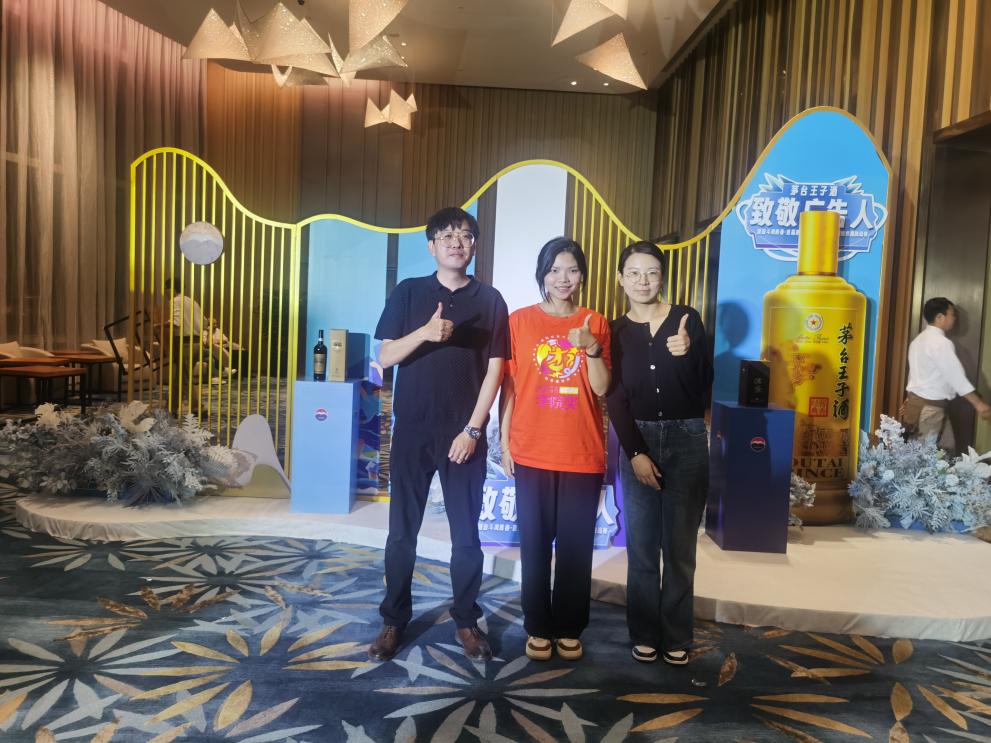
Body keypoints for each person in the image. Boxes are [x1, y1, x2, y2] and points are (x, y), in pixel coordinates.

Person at [369, 206, 508, 663]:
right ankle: (394, 619)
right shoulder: (409, 292)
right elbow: (386, 356)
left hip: (464, 436)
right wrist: (425, 333)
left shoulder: (490, 300)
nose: (456, 243)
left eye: (464, 235)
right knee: (401, 534)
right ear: (431, 246)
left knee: (466, 536)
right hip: (412, 431)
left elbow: (495, 372)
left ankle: (466, 620)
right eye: (446, 236)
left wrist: (473, 429)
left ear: (474, 245)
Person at [499, 237, 610, 662]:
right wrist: (505, 442)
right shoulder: (519, 322)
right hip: (531, 448)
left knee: (576, 547)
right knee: (534, 544)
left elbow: (601, 388)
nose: (563, 279)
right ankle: (538, 625)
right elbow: (510, 388)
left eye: (572, 270)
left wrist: (591, 347)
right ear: (542, 274)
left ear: (582, 276)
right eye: (555, 270)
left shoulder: (596, 322)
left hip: (581, 450)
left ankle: (569, 625)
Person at [605, 241, 711, 666]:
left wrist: (688, 353)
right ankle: (645, 632)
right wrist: (635, 452)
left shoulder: (687, 319)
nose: (643, 281)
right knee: (643, 547)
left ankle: (677, 634)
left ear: (662, 276)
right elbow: (614, 396)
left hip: (687, 437)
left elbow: (704, 384)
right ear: (621, 279)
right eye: (633, 273)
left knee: (680, 548)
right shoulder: (613, 330)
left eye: (651, 272)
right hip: (639, 439)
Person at [902, 297, 991, 451]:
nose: (954, 318)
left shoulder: (918, 341)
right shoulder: (941, 343)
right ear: (940, 317)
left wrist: (909, 399)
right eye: (952, 314)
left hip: (916, 405)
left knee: (935, 451)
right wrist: (978, 403)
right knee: (926, 456)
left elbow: (914, 376)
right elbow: (956, 377)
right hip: (930, 409)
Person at [162, 277, 236, 384]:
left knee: (184, 379)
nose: (165, 292)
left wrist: (158, 326)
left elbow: (176, 322)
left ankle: (194, 397)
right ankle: (174, 398)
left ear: (172, 289)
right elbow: (205, 322)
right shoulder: (193, 302)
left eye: (166, 289)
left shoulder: (175, 301)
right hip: (196, 343)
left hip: (185, 343)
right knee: (181, 379)